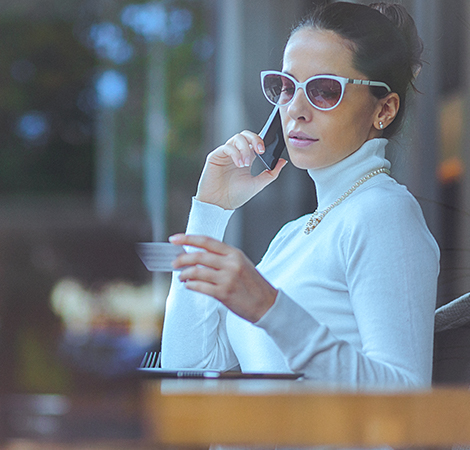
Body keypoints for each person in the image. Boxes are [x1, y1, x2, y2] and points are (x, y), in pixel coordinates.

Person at [160, 1, 440, 388]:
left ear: (385, 109)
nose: (296, 109)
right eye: (286, 87)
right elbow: (185, 372)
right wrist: (211, 210)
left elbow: (404, 400)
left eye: (324, 90)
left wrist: (271, 309)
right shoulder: (294, 236)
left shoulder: (384, 214)